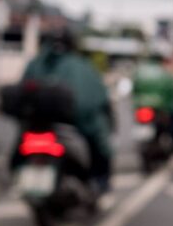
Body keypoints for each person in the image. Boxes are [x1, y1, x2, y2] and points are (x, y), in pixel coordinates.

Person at [21, 27, 113, 192]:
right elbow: (98, 100)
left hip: (38, 125)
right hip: (75, 126)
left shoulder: (36, 64)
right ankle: (100, 182)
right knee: (101, 145)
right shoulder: (83, 67)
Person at [132, 49, 173, 150]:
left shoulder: (139, 72)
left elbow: (134, 90)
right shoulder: (165, 73)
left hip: (141, 107)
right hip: (162, 108)